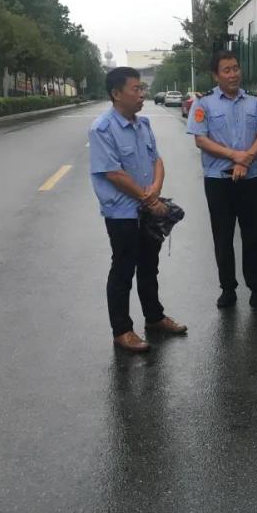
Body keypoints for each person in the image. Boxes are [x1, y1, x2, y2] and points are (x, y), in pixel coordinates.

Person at [89, 67, 188, 353]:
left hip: (147, 208)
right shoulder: (102, 128)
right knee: (123, 269)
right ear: (116, 93)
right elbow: (113, 173)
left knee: (149, 266)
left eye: (142, 89)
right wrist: (150, 200)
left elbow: (157, 160)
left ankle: (154, 317)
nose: (142, 94)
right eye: (136, 89)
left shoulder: (143, 124)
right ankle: (122, 331)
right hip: (122, 213)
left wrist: (155, 189)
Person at [186, 50, 257, 313]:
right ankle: (228, 289)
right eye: (226, 70)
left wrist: (244, 161)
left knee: (254, 237)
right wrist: (234, 156)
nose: (233, 74)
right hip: (219, 182)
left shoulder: (254, 102)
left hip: (250, 180)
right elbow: (200, 139)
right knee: (223, 237)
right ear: (216, 75)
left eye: (236, 68)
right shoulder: (204, 104)